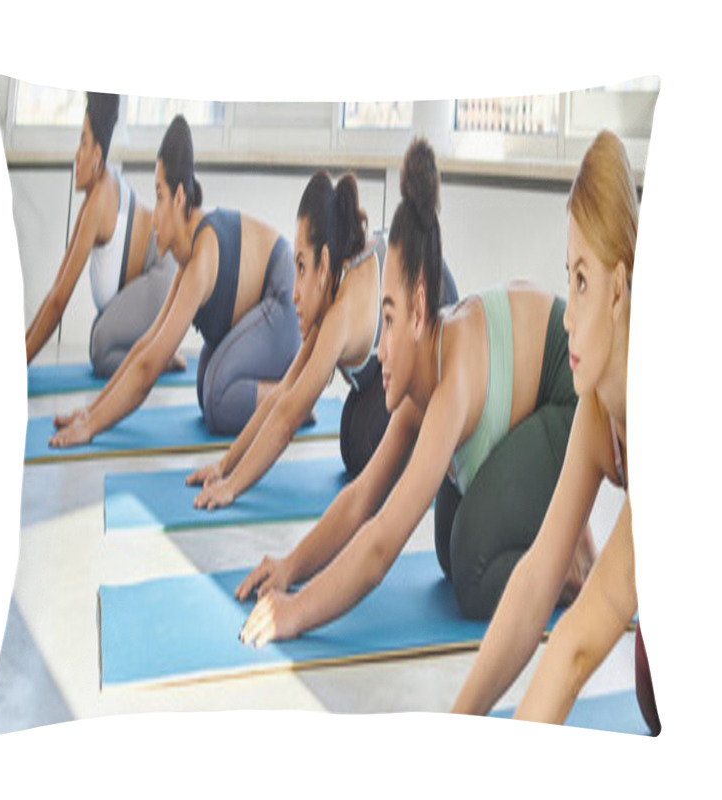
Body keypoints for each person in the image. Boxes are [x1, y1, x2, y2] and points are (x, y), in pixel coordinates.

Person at [234, 138, 595, 648]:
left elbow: (382, 547)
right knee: (449, 551)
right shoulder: (417, 390)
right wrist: (291, 567)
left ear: (420, 309)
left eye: (387, 319)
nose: (379, 347)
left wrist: (295, 614)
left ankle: (572, 566)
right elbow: (362, 499)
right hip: (524, 383)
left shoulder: (449, 387)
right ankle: (551, 524)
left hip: (568, 393)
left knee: (471, 572)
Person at [451, 130, 660, 735]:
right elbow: (537, 577)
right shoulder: (597, 408)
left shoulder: (661, 409)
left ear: (619, 289)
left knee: (659, 677)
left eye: (583, 280)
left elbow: (575, 645)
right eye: (566, 277)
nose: (566, 310)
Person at [187, 170, 458, 507]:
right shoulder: (332, 290)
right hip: (390, 358)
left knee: (366, 446)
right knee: (352, 438)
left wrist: (233, 488)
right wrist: (224, 466)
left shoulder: (341, 313)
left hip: (436, 323)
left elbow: (288, 419)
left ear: (324, 263)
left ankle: (439, 441)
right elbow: (284, 394)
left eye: (301, 267)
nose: (295, 292)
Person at [49, 115, 301, 445]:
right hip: (262, 311)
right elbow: (147, 345)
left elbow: (148, 370)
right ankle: (280, 393)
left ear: (179, 197)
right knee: (205, 388)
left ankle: (295, 401)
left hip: (284, 302)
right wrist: (90, 412)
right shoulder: (185, 257)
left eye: (159, 195)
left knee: (218, 398)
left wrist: (92, 429)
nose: (153, 214)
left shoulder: (201, 257)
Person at [25, 92, 183, 377]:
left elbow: (60, 302)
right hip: (154, 272)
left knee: (102, 347)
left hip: (161, 271)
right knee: (101, 331)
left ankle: (160, 357)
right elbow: (56, 292)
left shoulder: (99, 202)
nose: (77, 154)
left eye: (82, 143)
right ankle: (158, 349)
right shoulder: (94, 199)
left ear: (97, 155)